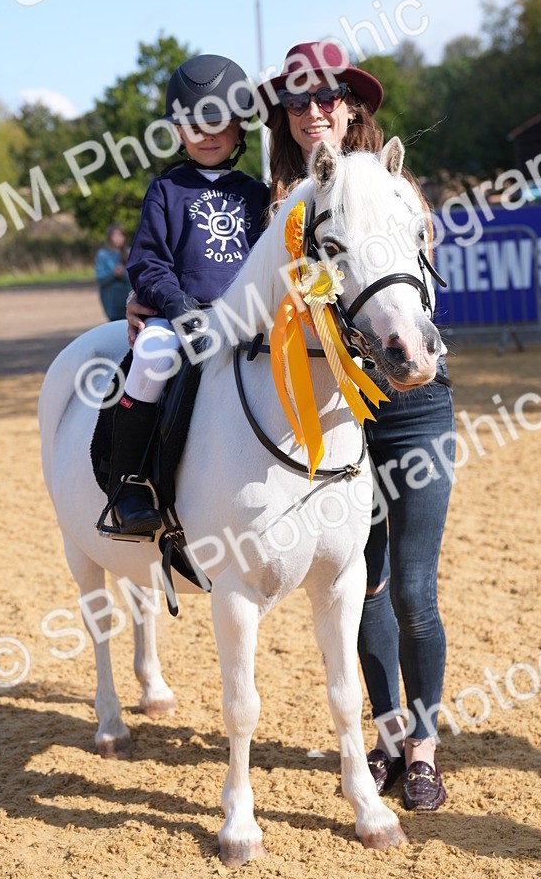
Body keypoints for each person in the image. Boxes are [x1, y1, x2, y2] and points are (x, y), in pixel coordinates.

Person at [256, 41, 455, 811]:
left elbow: (408, 292)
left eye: (327, 98)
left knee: (412, 587)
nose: (313, 112)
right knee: (361, 583)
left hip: (411, 408)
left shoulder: (397, 188)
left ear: (351, 106)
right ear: (286, 116)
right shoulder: (280, 203)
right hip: (337, 417)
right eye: (297, 102)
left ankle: (425, 747)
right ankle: (387, 735)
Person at [105, 54, 270, 536]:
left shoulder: (258, 193)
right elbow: (147, 261)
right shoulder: (166, 189)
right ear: (177, 130)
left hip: (245, 317)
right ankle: (128, 485)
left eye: (217, 121)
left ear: (240, 125)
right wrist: (176, 305)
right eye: (193, 124)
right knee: (152, 353)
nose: (206, 134)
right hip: (180, 316)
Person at [95, 224, 132, 321]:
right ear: (109, 237)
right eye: (115, 235)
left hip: (128, 297)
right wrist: (113, 274)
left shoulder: (131, 252)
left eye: (120, 235)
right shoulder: (103, 255)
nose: (118, 238)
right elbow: (100, 277)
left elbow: (136, 278)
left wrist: (123, 273)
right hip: (110, 299)